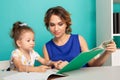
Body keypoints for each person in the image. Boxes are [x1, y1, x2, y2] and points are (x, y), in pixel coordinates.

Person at [43, 6, 116, 69]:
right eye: (52, 25)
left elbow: (93, 64)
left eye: (60, 24)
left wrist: (107, 53)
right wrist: (55, 65)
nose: (56, 29)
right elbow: (49, 73)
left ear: (66, 24)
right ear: (48, 26)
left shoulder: (79, 39)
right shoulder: (47, 47)